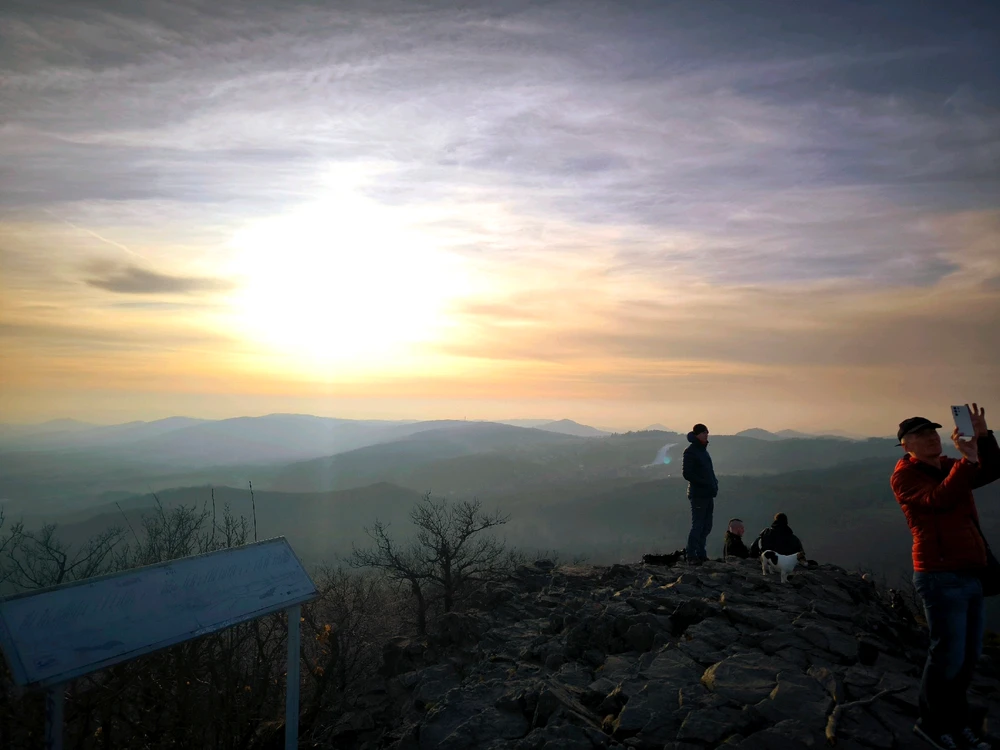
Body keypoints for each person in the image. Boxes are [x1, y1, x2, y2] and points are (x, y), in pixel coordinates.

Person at [891, 405, 999, 750]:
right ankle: (932, 725)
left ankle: (956, 723)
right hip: (939, 576)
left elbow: (992, 469)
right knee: (947, 657)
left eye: (934, 433)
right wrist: (966, 462)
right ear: (906, 445)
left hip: (970, 572)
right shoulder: (905, 476)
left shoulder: (950, 467)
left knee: (968, 657)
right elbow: (939, 498)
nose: (931, 438)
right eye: (921, 435)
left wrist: (982, 437)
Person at [682, 423, 718, 564]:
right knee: (698, 525)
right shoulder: (691, 451)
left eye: (707, 432)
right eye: (703, 433)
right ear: (696, 434)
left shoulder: (703, 450)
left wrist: (714, 484)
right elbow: (687, 474)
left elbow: (708, 472)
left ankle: (701, 553)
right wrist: (705, 483)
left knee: (707, 525)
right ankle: (691, 555)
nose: (706, 435)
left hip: (708, 493)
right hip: (698, 495)